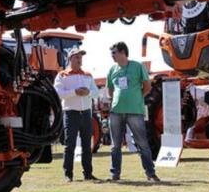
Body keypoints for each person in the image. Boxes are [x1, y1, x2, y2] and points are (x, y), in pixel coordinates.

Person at [106, 42, 160, 182]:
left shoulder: (137, 66)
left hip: (135, 111)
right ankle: (115, 174)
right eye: (111, 53)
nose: (112, 56)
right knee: (115, 145)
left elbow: (147, 86)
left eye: (114, 52)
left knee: (142, 143)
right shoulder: (112, 69)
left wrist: (136, 97)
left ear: (123, 52)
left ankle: (150, 173)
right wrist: (116, 99)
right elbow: (110, 90)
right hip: (116, 111)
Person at [54, 47, 100, 182]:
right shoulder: (62, 75)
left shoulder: (88, 75)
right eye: (76, 57)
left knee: (87, 145)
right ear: (70, 59)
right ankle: (68, 174)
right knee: (70, 145)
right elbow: (58, 93)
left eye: (81, 57)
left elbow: (96, 92)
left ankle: (88, 174)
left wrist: (88, 93)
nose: (79, 59)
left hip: (86, 113)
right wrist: (75, 92)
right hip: (70, 113)